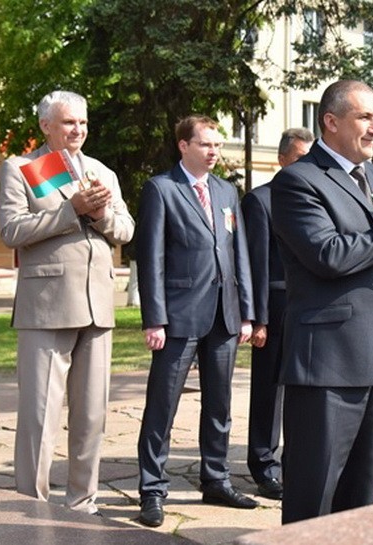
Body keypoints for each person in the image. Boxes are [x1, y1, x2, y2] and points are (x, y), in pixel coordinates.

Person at [271, 80, 373, 524]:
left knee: (361, 498)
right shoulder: (297, 181)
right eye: (365, 117)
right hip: (328, 363)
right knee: (314, 498)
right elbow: (327, 255)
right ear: (330, 121)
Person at [0, 90, 135, 514]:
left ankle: (82, 502)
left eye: (83, 122)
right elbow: (12, 230)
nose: (78, 130)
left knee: (92, 415)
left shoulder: (101, 171)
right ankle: (31, 504)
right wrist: (71, 210)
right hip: (47, 305)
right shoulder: (23, 167)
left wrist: (100, 215)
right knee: (39, 415)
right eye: (69, 122)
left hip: (97, 305)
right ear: (46, 126)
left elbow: (126, 230)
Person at [136, 115, 256, 527]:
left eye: (218, 145)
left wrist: (246, 312)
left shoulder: (226, 191)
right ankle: (153, 489)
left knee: (219, 405)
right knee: (162, 406)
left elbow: (238, 252)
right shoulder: (161, 189)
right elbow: (151, 258)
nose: (214, 152)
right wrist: (155, 319)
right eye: (206, 144)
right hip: (178, 317)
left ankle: (216, 480)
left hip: (224, 315)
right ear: (183, 145)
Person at [242, 127, 314, 500]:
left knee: (304, 390)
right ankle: (264, 465)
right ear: (282, 159)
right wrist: (258, 319)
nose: (306, 164)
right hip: (274, 307)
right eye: (300, 158)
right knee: (269, 391)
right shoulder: (260, 200)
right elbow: (255, 264)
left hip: (309, 306)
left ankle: (295, 463)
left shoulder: (315, 197)